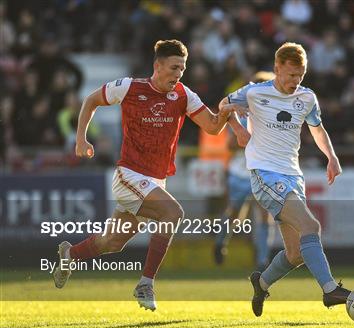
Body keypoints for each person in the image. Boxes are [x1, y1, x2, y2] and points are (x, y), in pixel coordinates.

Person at [53, 39, 245, 311]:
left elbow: (212, 127)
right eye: (174, 67)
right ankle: (146, 283)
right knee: (173, 213)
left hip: (154, 181)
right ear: (158, 66)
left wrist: (228, 114)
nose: (178, 74)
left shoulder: (183, 95)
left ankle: (69, 254)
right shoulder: (130, 87)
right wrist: (81, 140)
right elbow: (91, 99)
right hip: (129, 175)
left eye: (183, 68)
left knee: (112, 242)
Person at [221, 42, 350, 317]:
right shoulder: (255, 93)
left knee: (296, 253)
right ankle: (330, 291)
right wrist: (237, 129)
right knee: (310, 226)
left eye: (300, 75)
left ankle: (262, 283)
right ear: (277, 68)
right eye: (291, 74)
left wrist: (332, 157)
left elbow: (317, 129)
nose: (296, 81)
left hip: (293, 175)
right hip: (264, 174)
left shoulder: (307, 98)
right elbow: (223, 105)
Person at [214, 71, 276, 271]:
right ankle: (221, 242)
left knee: (264, 215)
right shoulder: (242, 113)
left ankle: (262, 260)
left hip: (262, 173)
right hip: (241, 173)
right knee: (234, 215)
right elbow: (231, 144)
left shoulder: (274, 116)